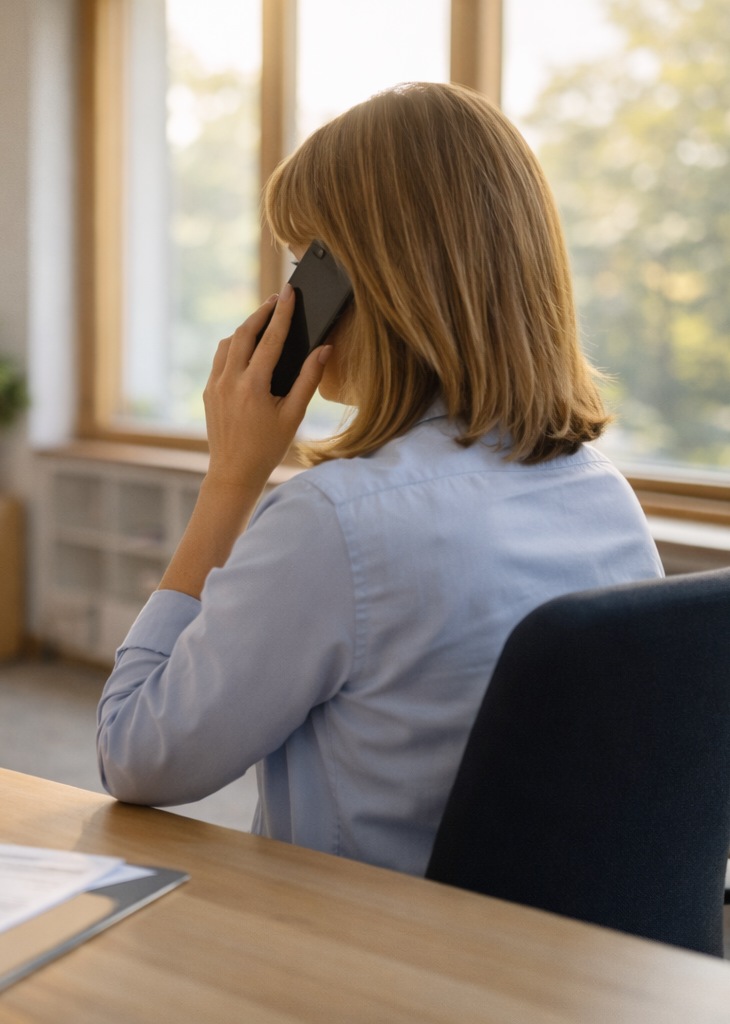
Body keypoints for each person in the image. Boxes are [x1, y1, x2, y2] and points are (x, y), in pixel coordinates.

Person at [95, 82, 664, 877]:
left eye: (306, 263)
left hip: (373, 970)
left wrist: (230, 480)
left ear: (373, 282)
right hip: (551, 975)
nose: (289, 296)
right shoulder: (602, 493)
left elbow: (137, 755)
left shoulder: (335, 523)